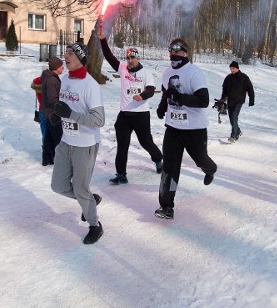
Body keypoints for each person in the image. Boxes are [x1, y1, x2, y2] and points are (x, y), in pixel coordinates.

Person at [155, 38, 218, 220]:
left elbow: (203, 100)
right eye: (170, 51)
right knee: (169, 167)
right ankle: (166, 206)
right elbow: (166, 94)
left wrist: (181, 98)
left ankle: (210, 169)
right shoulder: (166, 73)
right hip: (173, 128)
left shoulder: (194, 72)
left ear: (185, 53)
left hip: (195, 129)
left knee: (201, 159)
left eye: (177, 50)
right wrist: (162, 107)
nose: (173, 54)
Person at [50, 42, 106, 244]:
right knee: (58, 185)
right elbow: (64, 106)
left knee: (81, 189)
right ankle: (90, 200)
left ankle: (94, 225)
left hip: (85, 144)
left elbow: (99, 120)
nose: (66, 56)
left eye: (71, 53)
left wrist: (71, 115)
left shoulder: (90, 85)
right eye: (65, 52)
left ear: (81, 57)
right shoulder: (64, 79)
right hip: (66, 141)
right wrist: (58, 115)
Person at [97, 27, 163, 184]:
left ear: (137, 58)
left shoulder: (145, 72)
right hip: (124, 115)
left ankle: (158, 158)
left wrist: (142, 96)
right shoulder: (123, 69)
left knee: (145, 142)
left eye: (132, 58)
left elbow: (151, 89)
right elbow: (109, 56)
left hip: (141, 114)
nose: (130, 61)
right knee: (122, 146)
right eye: (128, 58)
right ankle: (121, 174)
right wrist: (103, 40)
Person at [220, 60, 255, 142]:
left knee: (234, 116)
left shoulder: (244, 77)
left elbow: (250, 89)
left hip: (239, 101)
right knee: (231, 118)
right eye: (230, 68)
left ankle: (233, 136)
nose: (231, 70)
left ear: (237, 68)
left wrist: (251, 100)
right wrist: (222, 100)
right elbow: (224, 90)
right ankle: (238, 131)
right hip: (230, 100)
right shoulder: (228, 78)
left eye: (233, 68)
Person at [40, 56, 64, 166]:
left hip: (49, 112)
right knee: (58, 137)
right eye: (61, 66)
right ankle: (59, 160)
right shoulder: (51, 80)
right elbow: (52, 98)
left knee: (49, 136)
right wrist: (61, 108)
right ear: (56, 67)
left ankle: (47, 158)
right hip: (52, 113)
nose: (63, 68)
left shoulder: (51, 78)